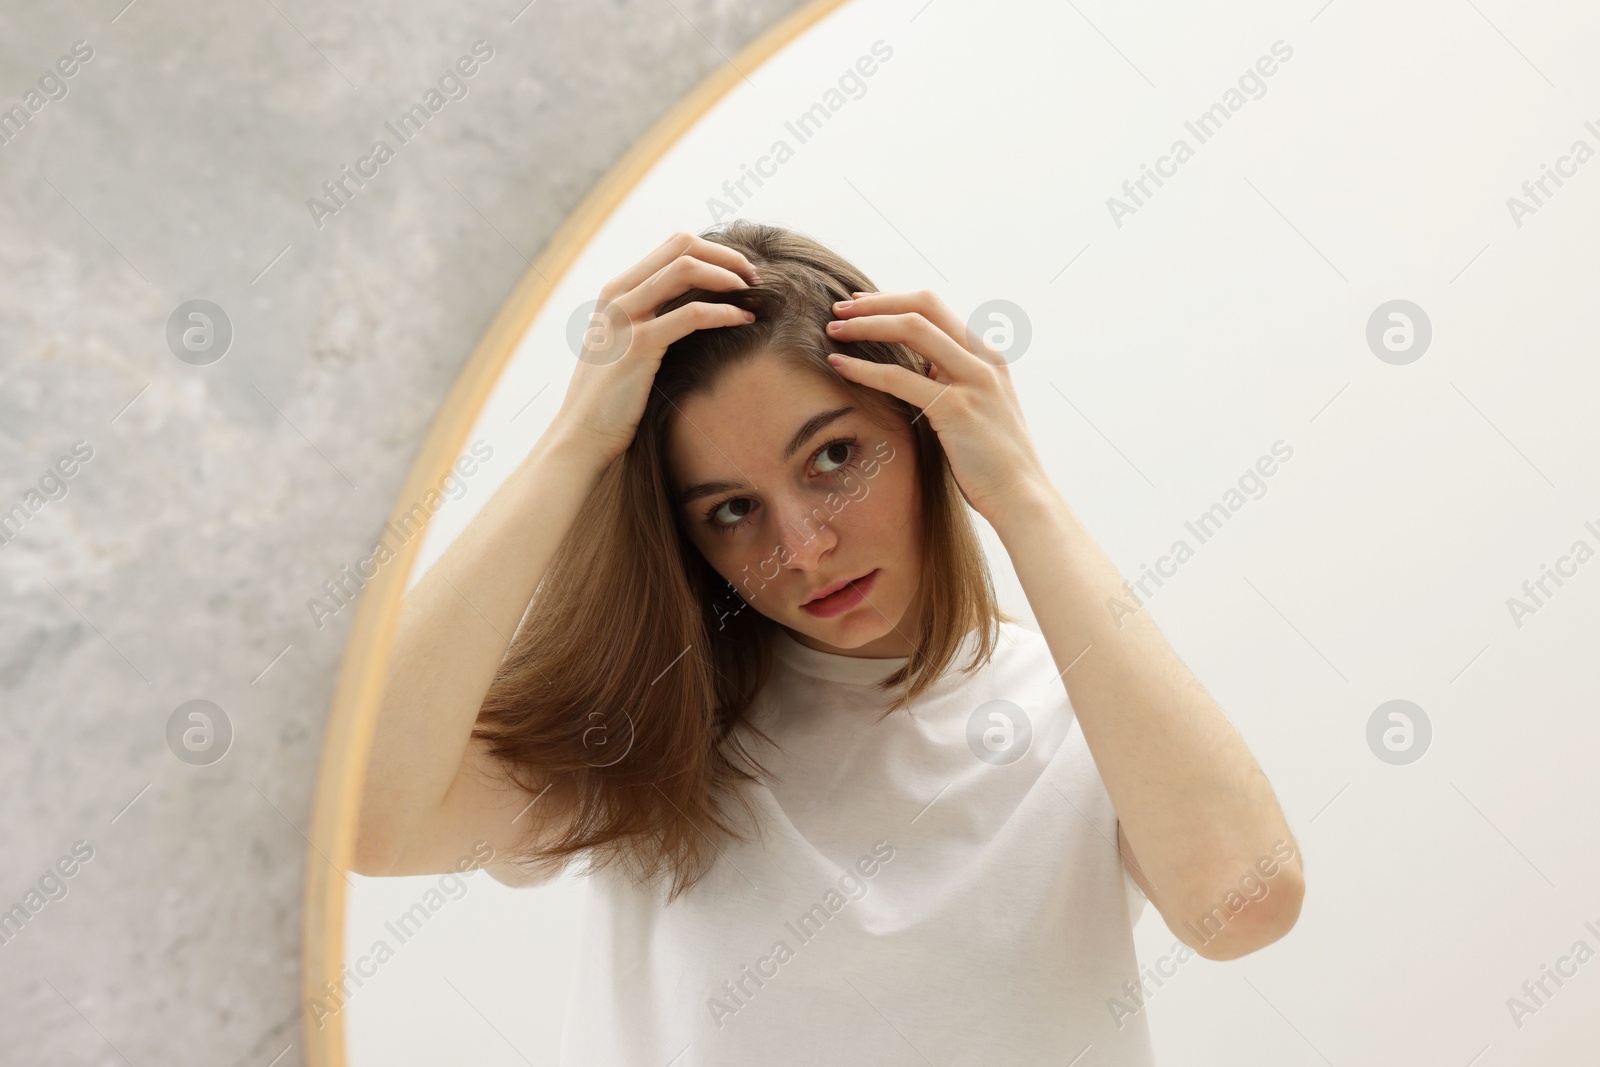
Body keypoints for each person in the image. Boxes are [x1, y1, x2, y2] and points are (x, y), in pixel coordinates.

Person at [352, 220, 1305, 1065]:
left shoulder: (1088, 709)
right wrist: (574, 442)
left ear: (924, 423)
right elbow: (365, 816)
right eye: (732, 509)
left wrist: (1022, 492)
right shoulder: (648, 729)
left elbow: (1248, 903)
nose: (802, 548)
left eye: (835, 457)